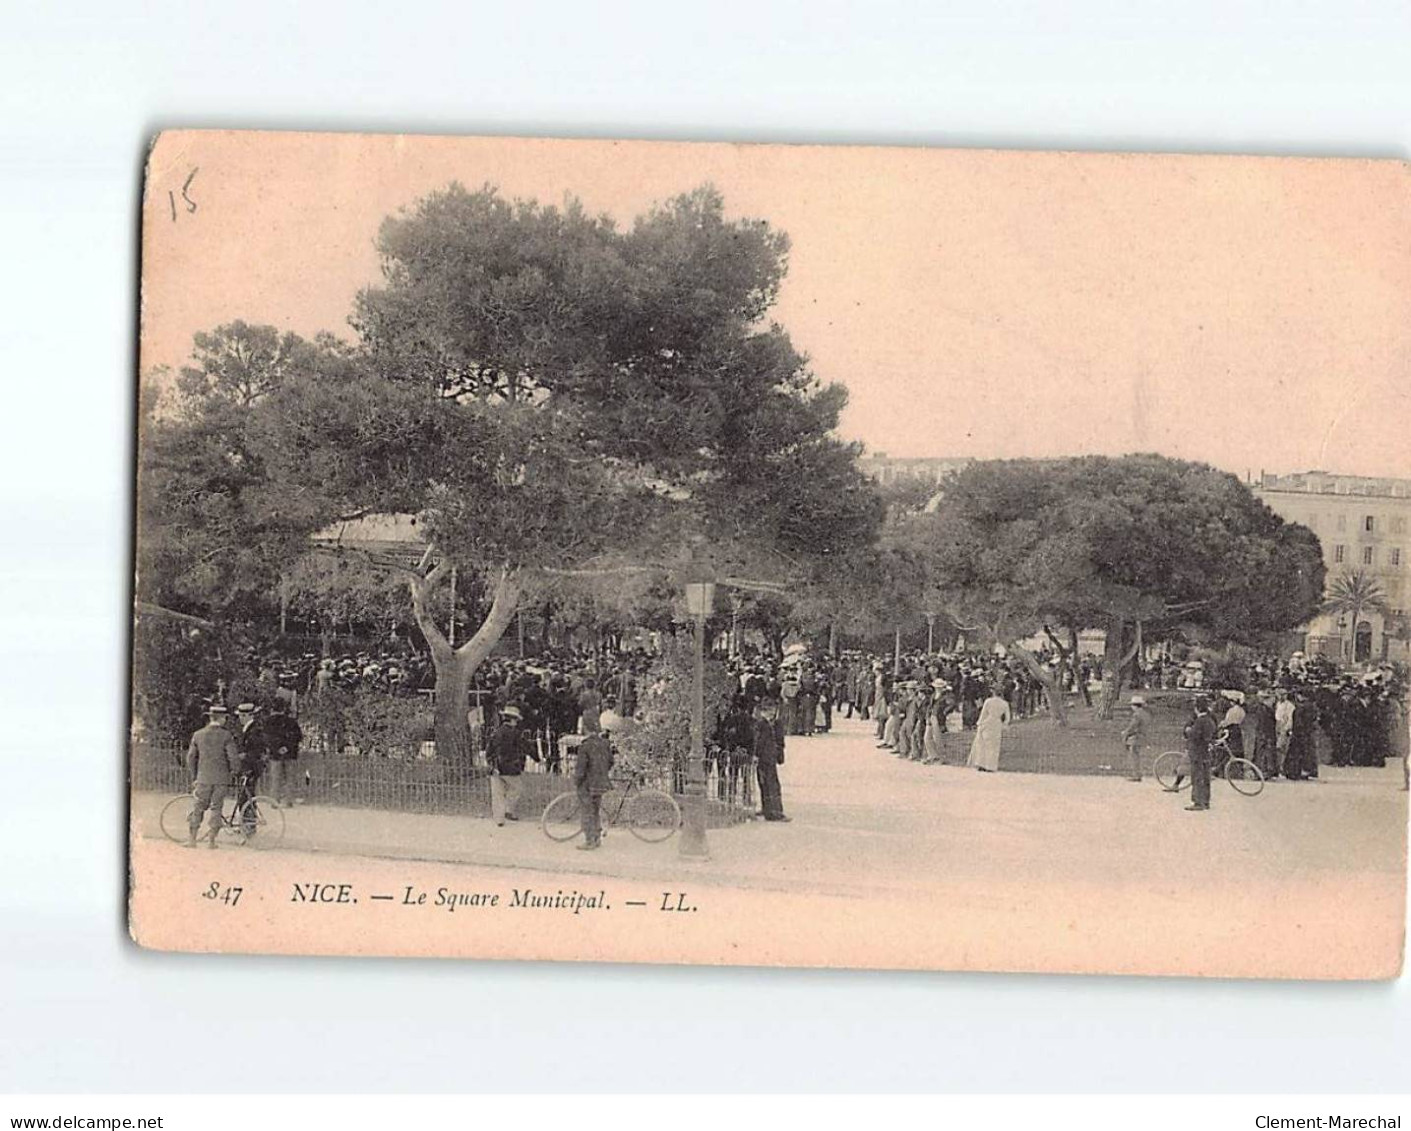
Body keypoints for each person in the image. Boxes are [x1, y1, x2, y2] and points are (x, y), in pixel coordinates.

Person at [185, 704, 242, 848]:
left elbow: (191, 757)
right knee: (217, 807)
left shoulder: (198, 734)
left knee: (198, 806)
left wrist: (195, 775)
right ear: (222, 719)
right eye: (225, 718)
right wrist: (235, 771)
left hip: (203, 777)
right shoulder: (226, 735)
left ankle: (192, 839)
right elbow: (233, 757)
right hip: (221, 778)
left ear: (210, 718)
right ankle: (211, 840)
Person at [487, 705, 536, 826]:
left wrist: (491, 763)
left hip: (496, 766)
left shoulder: (496, 732)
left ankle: (499, 819)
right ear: (513, 720)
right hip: (510, 767)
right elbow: (526, 747)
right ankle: (509, 809)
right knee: (516, 788)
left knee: (497, 793)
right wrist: (537, 757)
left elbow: (489, 750)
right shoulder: (516, 733)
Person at [573, 723, 615, 850]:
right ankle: (597, 838)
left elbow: (581, 769)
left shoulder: (585, 746)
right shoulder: (604, 744)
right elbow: (611, 762)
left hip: (588, 784)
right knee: (595, 811)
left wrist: (577, 781)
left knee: (587, 811)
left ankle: (590, 840)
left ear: (586, 729)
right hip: (601, 783)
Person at [232, 702, 269, 835]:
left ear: (248, 715)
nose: (240, 718)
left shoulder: (254, 730)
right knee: (245, 796)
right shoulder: (250, 728)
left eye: (242, 716)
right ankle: (246, 825)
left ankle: (249, 826)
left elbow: (257, 751)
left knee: (246, 797)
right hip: (250, 766)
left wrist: (244, 756)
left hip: (251, 767)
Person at [752, 698, 790, 822]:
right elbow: (758, 741)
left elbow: (780, 740)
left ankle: (772, 810)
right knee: (767, 783)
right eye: (769, 710)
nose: (772, 713)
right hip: (764, 757)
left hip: (770, 757)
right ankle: (771, 810)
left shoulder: (775, 724)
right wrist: (756, 755)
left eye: (773, 710)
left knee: (770, 783)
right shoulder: (761, 724)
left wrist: (780, 754)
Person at [262, 699, 303, 806]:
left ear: (272, 709)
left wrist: (277, 748)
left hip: (275, 755)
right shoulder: (292, 721)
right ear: (284, 709)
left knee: (275, 778)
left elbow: (267, 739)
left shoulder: (268, 721)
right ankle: (288, 800)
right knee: (290, 778)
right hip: (290, 754)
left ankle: (274, 801)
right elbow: (298, 737)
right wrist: (287, 747)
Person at [966, 684, 1011, 772]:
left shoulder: (988, 701)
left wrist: (979, 723)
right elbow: (1007, 718)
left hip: (987, 722)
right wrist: (1004, 724)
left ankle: (981, 764)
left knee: (982, 743)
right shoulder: (1005, 704)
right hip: (997, 723)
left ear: (993, 692)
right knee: (994, 745)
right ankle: (991, 766)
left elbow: (983, 714)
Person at [1183, 695, 1217, 811]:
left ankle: (1198, 801)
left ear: (1197, 708)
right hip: (1206, 752)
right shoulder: (1210, 720)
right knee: (1206, 776)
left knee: (1197, 776)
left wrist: (1188, 731)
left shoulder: (1200, 721)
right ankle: (1205, 801)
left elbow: (1195, 736)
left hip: (1197, 752)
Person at [1121, 694, 1151, 782]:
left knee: (1134, 755)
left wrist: (1125, 733)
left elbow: (1133, 726)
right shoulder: (1146, 714)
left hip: (1135, 736)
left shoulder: (1137, 715)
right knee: (1136, 755)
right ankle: (1137, 773)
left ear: (1135, 706)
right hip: (1143, 735)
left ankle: (1136, 774)